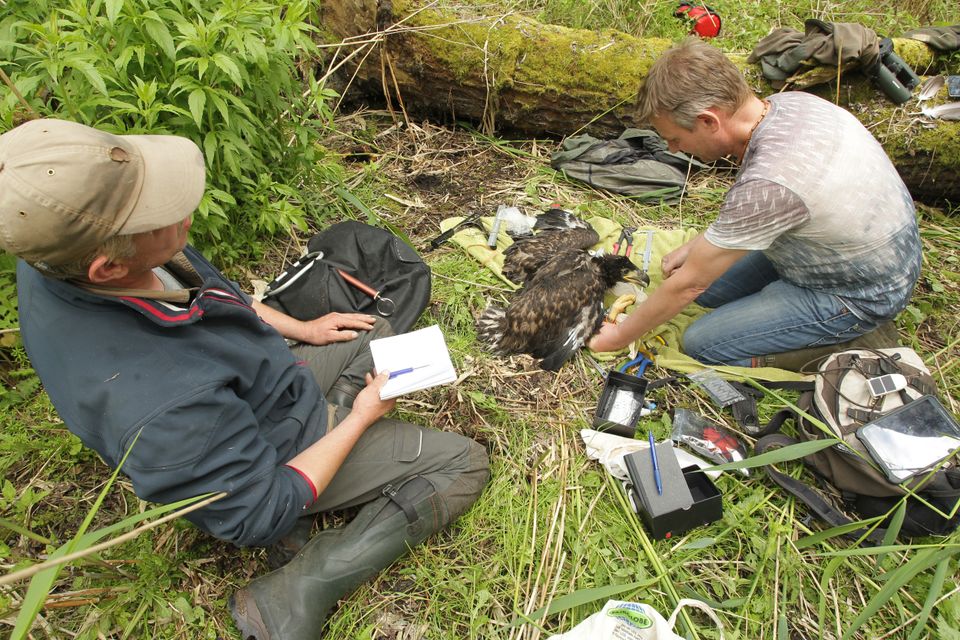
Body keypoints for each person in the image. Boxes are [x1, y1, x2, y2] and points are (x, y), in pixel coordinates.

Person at [0, 118, 489, 639]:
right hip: (262, 462)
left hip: (262, 393)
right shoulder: (160, 399)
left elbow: (221, 294)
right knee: (464, 464)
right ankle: (300, 586)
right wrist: (361, 419)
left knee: (376, 331)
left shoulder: (65, 252)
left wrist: (303, 328)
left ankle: (329, 421)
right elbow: (256, 511)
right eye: (161, 214)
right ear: (107, 268)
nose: (183, 212)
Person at [589, 38, 920, 370]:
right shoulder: (790, 104)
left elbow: (689, 284)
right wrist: (699, 246)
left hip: (858, 291)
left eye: (675, 138)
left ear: (708, 121)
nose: (673, 150)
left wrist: (616, 337)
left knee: (702, 343)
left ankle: (843, 343)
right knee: (710, 293)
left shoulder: (770, 181)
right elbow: (770, 210)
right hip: (839, 248)